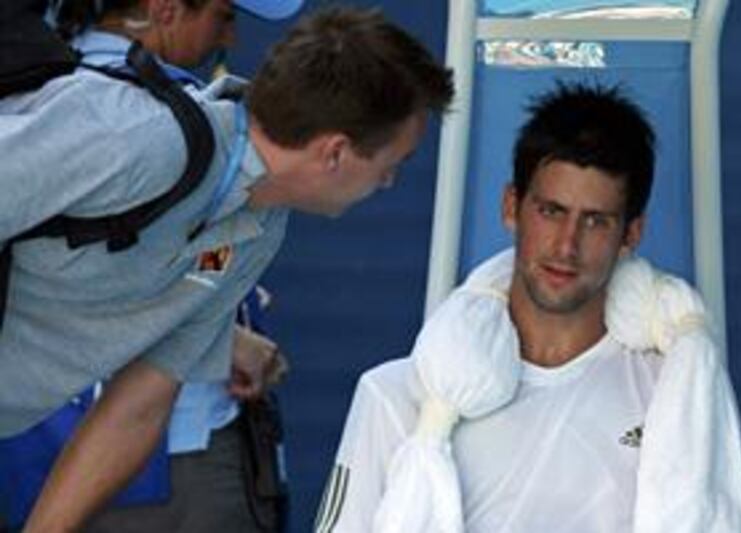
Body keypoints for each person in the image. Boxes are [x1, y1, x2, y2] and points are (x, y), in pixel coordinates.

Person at [0, 5, 454, 532]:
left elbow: (142, 401)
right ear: (335, 153)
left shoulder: (258, 226)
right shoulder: (137, 136)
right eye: (390, 165)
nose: (388, 184)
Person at [315, 84, 741, 533]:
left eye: (595, 221)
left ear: (631, 234)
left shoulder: (677, 394)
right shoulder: (393, 396)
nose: (567, 245)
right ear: (511, 206)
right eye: (551, 211)